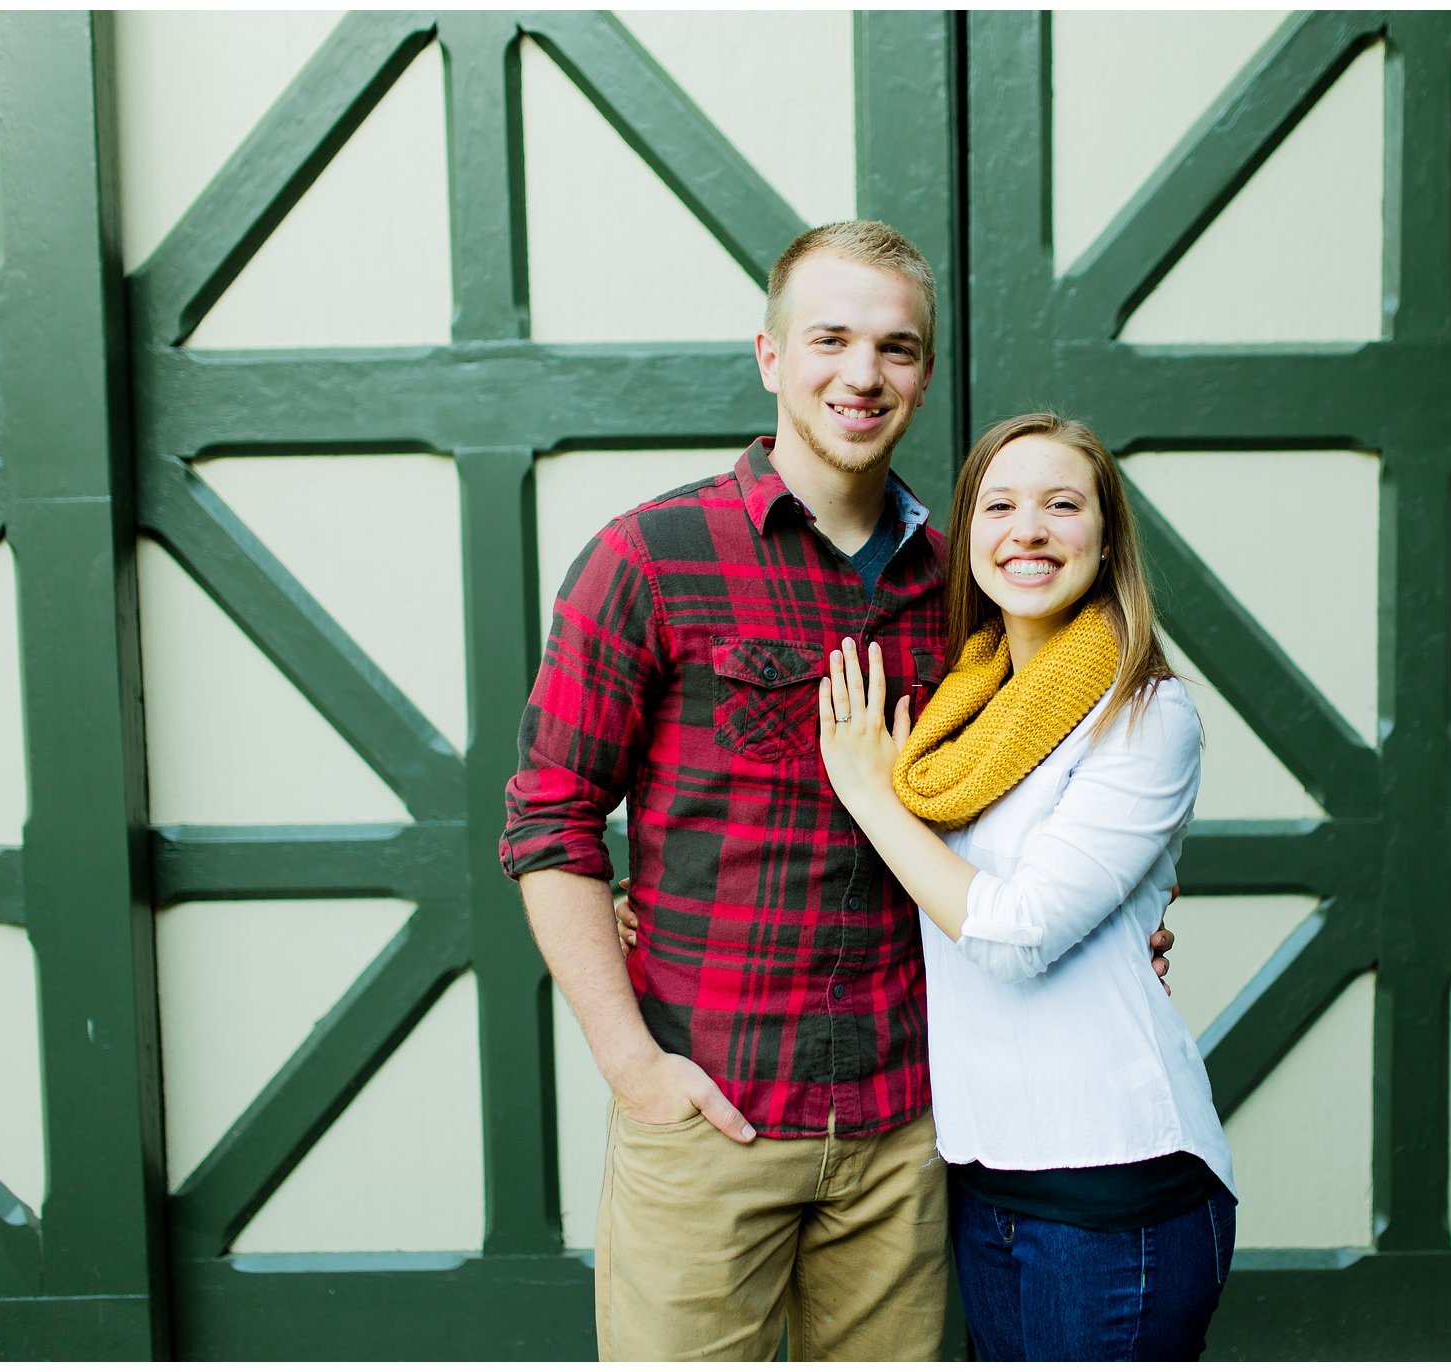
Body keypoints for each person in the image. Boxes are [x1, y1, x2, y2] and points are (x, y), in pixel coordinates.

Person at [500, 222, 1174, 1361]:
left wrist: (1121, 926)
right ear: (769, 355)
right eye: (830, 339)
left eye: (896, 348)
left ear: (920, 373)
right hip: (713, 1112)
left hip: (908, 1127)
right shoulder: (653, 555)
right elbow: (550, 816)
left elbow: (1063, 783)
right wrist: (631, 1064)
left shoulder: (971, 580)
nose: (861, 375)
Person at [814, 412, 1235, 1361]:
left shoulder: (1147, 712)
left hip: (1114, 1193)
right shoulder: (965, 712)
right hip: (987, 1183)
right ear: (970, 542)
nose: (1028, 530)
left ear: (1106, 535)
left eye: (1061, 505)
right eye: (999, 506)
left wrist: (873, 797)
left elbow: (1014, 933)